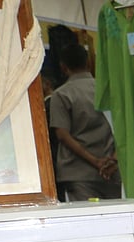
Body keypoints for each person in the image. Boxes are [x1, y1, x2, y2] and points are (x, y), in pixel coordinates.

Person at [48, 44, 121, 202]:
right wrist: (114, 160)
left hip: (78, 172)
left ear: (63, 67)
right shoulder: (109, 90)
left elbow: (62, 135)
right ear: (88, 62)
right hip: (112, 169)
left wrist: (95, 161)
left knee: (88, 222)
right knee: (114, 220)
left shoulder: (61, 95)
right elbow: (123, 129)